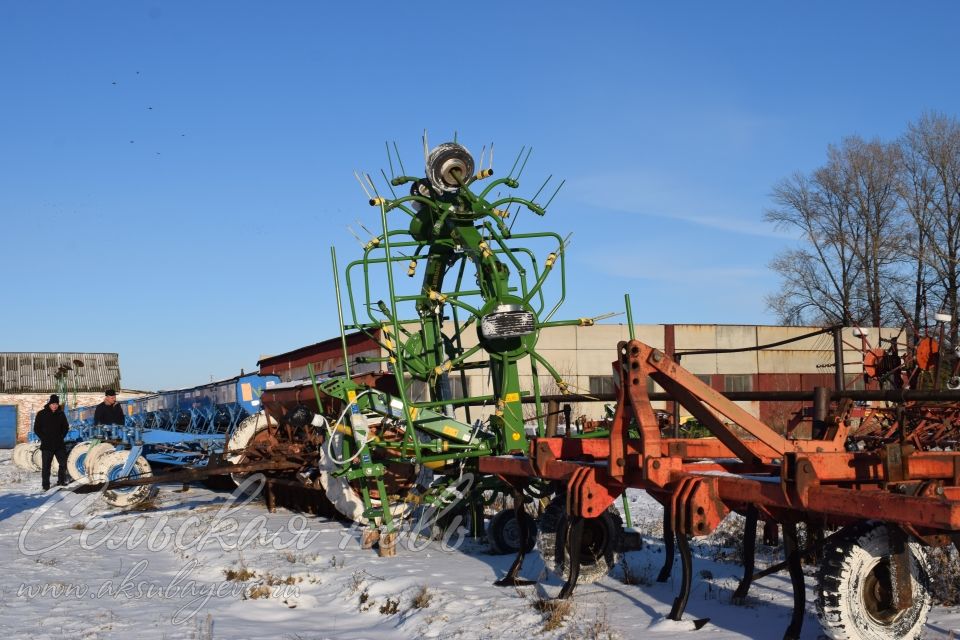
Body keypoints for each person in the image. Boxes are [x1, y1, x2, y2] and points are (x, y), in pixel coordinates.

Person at [33, 394, 69, 490]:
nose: (55, 406)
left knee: (63, 463)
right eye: (53, 403)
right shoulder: (41, 414)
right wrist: (43, 438)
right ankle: (45, 485)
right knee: (46, 466)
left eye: (56, 404)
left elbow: (65, 427)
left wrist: (62, 436)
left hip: (59, 444)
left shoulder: (61, 414)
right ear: (49, 404)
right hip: (47, 445)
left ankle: (61, 481)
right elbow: (36, 428)